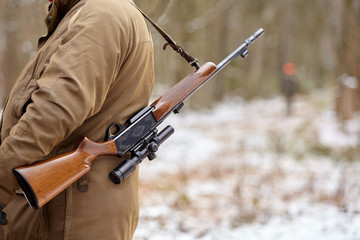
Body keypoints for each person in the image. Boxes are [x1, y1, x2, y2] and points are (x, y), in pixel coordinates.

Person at [0, 0, 154, 239]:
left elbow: (51, 113)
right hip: (66, 210)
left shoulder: (102, 14)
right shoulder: (94, 12)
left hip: (69, 216)